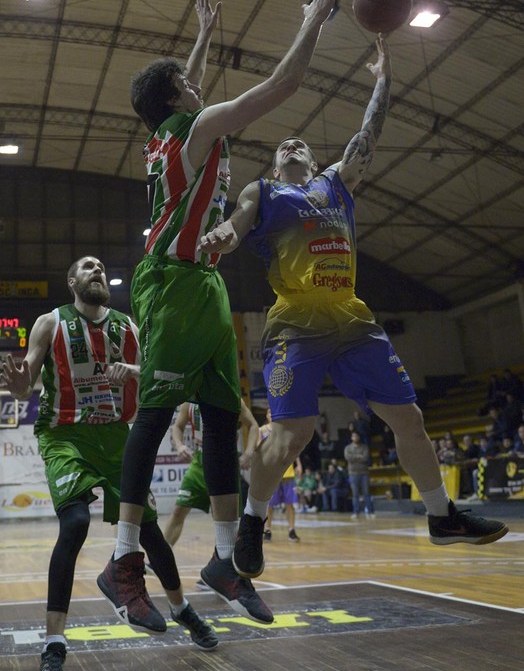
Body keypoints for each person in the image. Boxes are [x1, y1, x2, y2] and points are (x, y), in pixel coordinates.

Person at [198, 34, 509, 582]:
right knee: (293, 432)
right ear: (275, 163)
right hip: (295, 322)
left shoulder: (338, 183)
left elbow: (369, 134)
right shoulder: (262, 193)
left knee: (409, 418)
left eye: (301, 143)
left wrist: (384, 80)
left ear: (316, 158)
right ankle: (253, 521)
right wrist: (222, 234)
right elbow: (236, 225)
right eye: (283, 145)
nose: (292, 144)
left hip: (353, 318)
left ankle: (441, 515)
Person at [98, 0, 347, 630]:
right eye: (187, 75)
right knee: (153, 416)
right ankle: (122, 560)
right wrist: (314, 17)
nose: (195, 78)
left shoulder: (169, 131)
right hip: (173, 280)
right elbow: (283, 86)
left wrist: (204, 36)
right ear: (179, 94)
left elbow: (187, 95)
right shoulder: (196, 126)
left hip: (202, 280)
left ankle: (225, 561)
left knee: (216, 414)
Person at [0, 255, 218, 671]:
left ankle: (182, 609)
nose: (97, 270)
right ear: (71, 279)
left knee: (152, 535)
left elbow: (159, 377)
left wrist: (135, 371)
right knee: (75, 524)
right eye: (86, 266)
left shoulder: (129, 328)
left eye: (101, 267)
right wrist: (21, 385)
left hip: (119, 436)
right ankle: (53, 649)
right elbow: (27, 383)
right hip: (67, 436)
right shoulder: (50, 323)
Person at [164, 400, 259, 549]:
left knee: (227, 519)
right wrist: (179, 445)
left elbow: (253, 425)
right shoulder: (190, 401)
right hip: (199, 461)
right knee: (178, 510)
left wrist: (248, 453)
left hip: (225, 459)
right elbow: (177, 427)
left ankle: (229, 560)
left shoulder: (231, 396)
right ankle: (160, 560)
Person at [344, 430, 375, 519]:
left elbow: (365, 457)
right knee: (355, 494)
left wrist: (355, 457)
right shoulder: (348, 448)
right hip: (353, 473)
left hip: (364, 472)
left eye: (356, 436)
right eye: (353, 436)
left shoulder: (364, 447)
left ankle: (370, 511)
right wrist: (359, 456)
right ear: (351, 437)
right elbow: (348, 458)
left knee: (366, 493)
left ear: (359, 437)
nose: (355, 438)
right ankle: (356, 512)